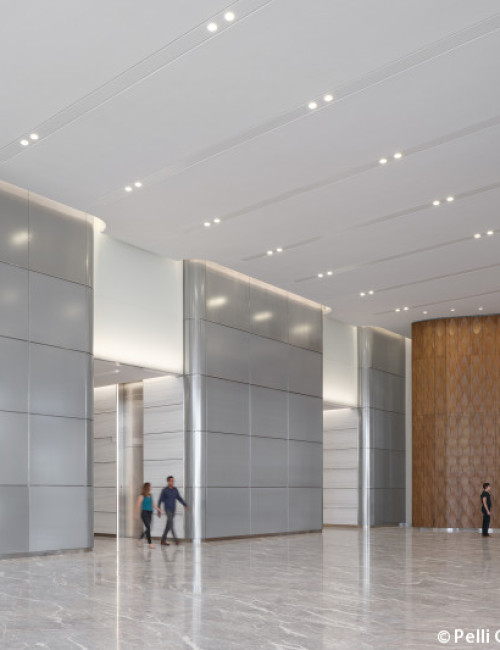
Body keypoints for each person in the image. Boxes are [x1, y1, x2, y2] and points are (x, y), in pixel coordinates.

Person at [158, 476, 189, 546]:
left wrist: (185, 505)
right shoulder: (165, 490)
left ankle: (163, 540)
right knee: (171, 524)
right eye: (171, 481)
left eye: (173, 481)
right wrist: (159, 510)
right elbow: (160, 500)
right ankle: (176, 539)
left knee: (168, 526)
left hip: (173, 510)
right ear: (168, 482)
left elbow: (179, 498)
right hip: (167, 509)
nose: (172, 482)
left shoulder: (175, 490)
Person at [136, 482, 161, 549]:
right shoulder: (141, 496)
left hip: (150, 512)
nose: (151, 487)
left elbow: (153, 504)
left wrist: (158, 509)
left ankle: (140, 538)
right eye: (150, 486)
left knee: (148, 528)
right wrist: (137, 514)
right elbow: (138, 505)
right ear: (147, 487)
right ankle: (150, 543)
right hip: (144, 513)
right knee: (148, 528)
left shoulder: (150, 495)